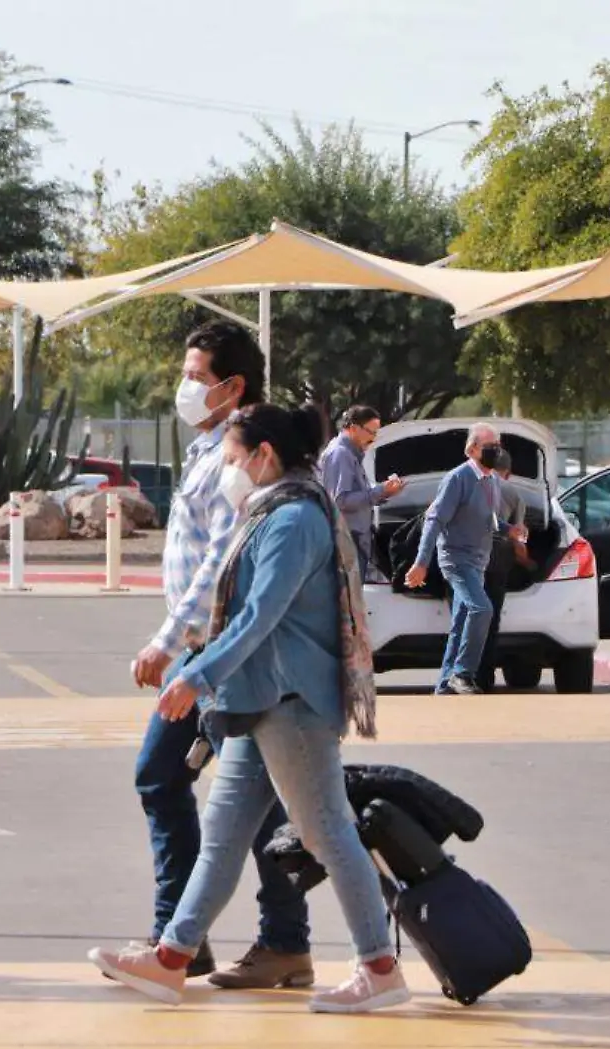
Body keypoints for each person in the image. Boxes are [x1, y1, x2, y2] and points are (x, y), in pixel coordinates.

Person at [90, 403, 404, 1014]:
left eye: (234, 458)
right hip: (257, 702)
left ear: (264, 455)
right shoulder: (267, 513)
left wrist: (195, 675)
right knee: (223, 838)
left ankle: (380, 968)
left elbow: (261, 616)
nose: (228, 469)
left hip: (292, 703)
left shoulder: (292, 520)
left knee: (328, 832)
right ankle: (171, 960)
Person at [127, 321, 312, 989]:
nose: (185, 388)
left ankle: (184, 935)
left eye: (197, 377)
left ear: (234, 387)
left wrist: (168, 641)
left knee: (167, 777)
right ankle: (258, 942)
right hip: (210, 652)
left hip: (219, 653)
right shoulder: (213, 448)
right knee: (258, 801)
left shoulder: (241, 456)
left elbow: (220, 562)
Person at [404, 423, 508, 696]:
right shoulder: (457, 478)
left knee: (461, 623)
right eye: (489, 446)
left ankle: (443, 688)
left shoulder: (493, 480)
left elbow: (492, 519)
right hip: (456, 559)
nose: (496, 451)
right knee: (482, 608)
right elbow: (434, 520)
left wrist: (512, 530)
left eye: (498, 445)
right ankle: (462, 673)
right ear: (472, 449)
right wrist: (421, 562)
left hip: (479, 561)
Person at [317, 405, 403, 581]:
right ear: (354, 428)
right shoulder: (340, 454)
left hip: (353, 540)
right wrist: (379, 491)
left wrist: (384, 492)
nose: (374, 438)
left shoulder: (351, 453)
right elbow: (340, 500)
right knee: (349, 600)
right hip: (347, 541)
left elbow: (357, 493)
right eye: (371, 432)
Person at [477, 448, 534, 690]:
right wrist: (528, 562)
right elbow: (519, 540)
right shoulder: (514, 495)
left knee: (467, 616)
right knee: (491, 619)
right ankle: (485, 678)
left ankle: (462, 674)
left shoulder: (470, 485)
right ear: (508, 473)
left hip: (468, 557)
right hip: (499, 559)